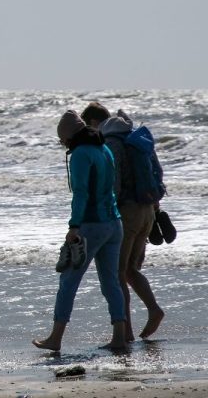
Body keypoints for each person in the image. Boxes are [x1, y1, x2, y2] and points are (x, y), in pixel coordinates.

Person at [33, 110, 126, 351]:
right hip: (114, 223)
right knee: (111, 283)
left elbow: (81, 193)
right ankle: (119, 336)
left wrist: (74, 226)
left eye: (61, 139)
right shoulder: (103, 149)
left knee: (68, 281)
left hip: (91, 225)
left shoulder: (80, 155)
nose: (62, 143)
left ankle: (55, 338)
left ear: (68, 137)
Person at [81, 102, 165, 341]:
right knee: (130, 269)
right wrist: (155, 209)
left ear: (95, 123)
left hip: (126, 213)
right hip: (147, 210)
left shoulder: (109, 143)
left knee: (117, 274)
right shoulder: (134, 136)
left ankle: (125, 332)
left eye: (89, 127)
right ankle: (153, 309)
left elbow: (114, 185)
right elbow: (157, 172)